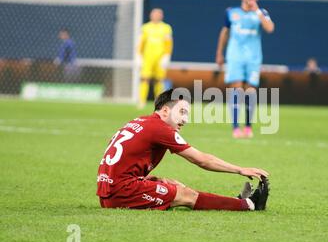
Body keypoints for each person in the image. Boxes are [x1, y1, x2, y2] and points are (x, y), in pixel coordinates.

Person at [97, 89, 270, 211]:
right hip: (121, 193)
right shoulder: (160, 128)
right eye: (181, 112)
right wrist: (240, 169)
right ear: (165, 111)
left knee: (171, 184)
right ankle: (248, 204)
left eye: (187, 114)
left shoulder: (139, 120)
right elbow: (202, 160)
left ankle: (235, 201)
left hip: (107, 191)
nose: (185, 119)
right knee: (186, 195)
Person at [215, 0, 275, 138]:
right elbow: (225, 32)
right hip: (235, 56)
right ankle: (235, 127)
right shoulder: (231, 12)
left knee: (250, 91)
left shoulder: (262, 12)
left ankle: (248, 126)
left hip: (253, 58)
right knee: (237, 89)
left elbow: (270, 28)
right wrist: (219, 53)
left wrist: (257, 11)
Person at [138, 8, 173, 109]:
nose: (156, 16)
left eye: (158, 14)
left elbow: (168, 43)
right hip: (147, 57)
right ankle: (141, 101)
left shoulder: (166, 28)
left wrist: (167, 56)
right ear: (150, 15)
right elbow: (141, 42)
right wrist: (139, 56)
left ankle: (159, 102)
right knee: (144, 78)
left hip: (160, 58)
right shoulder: (145, 27)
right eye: (154, 14)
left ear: (161, 16)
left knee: (159, 80)